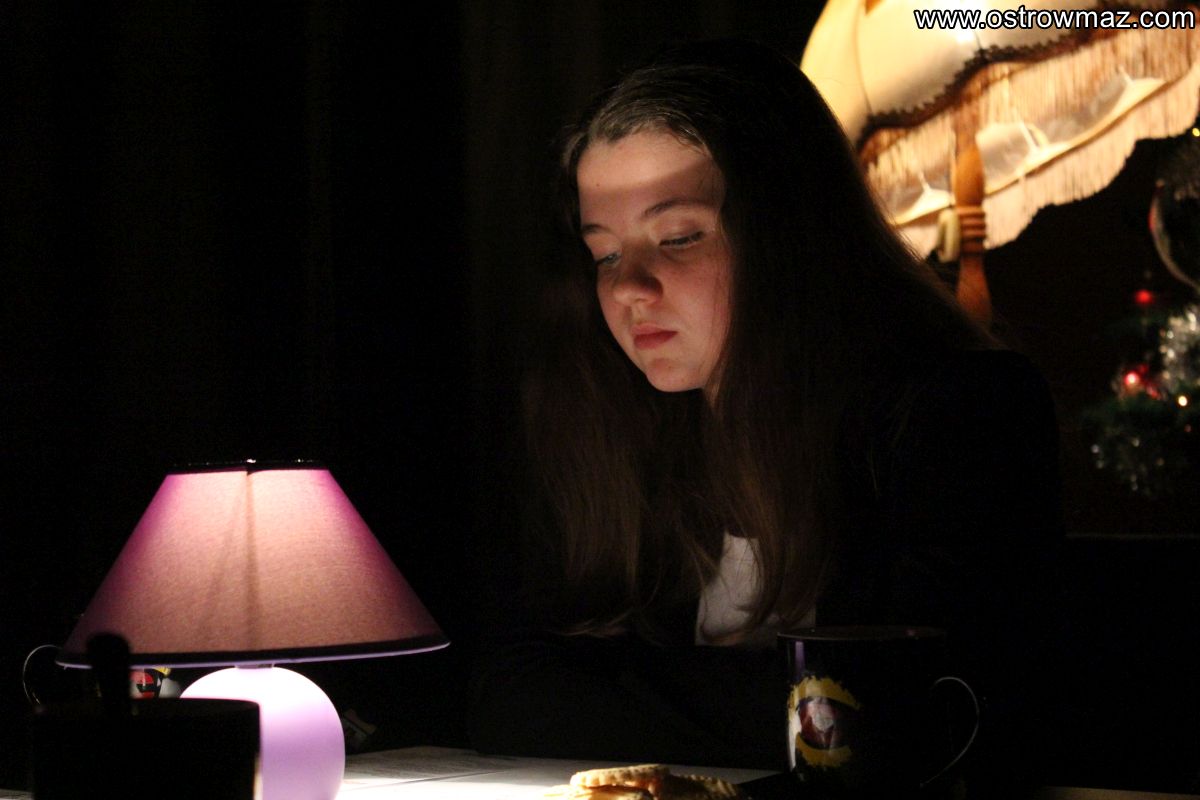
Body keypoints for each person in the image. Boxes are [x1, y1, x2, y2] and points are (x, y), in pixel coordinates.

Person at [469, 38, 1062, 795]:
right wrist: (771, 698)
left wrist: (628, 685)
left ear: (792, 233)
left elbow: (911, 714)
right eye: (606, 254)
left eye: (679, 237)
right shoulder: (600, 420)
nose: (628, 288)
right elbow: (509, 696)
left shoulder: (959, 411)